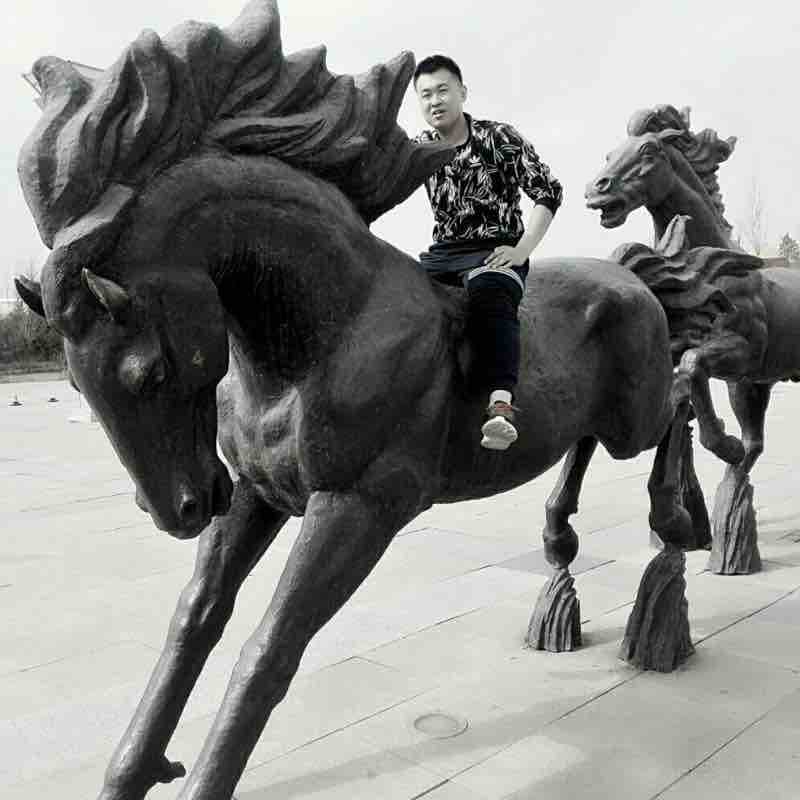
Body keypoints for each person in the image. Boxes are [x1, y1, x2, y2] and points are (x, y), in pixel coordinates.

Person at [413, 54, 562, 450]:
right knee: (397, 295)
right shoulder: (420, 148)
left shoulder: (499, 137)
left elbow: (548, 191)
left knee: (489, 292)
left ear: (462, 92)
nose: (435, 101)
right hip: (443, 254)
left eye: (443, 90)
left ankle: (500, 406)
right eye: (426, 95)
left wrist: (522, 248)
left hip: (493, 250)